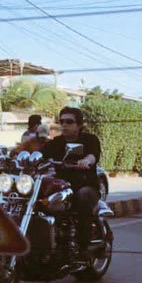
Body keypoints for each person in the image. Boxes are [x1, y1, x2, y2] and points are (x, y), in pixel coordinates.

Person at [41, 107, 101, 256]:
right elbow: (39, 154)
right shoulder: (55, 143)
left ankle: (83, 245)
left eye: (69, 121)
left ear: (79, 125)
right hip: (62, 187)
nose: (64, 125)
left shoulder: (90, 140)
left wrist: (86, 160)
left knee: (82, 195)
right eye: (62, 121)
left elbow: (93, 155)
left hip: (85, 185)